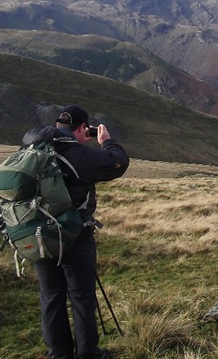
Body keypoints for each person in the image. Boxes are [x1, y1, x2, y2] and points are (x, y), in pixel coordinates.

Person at [21, 105, 129, 359]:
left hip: (38, 235)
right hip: (73, 236)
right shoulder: (75, 154)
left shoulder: (31, 150)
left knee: (50, 296)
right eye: (85, 130)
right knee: (81, 297)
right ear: (82, 128)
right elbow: (117, 164)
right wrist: (106, 141)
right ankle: (87, 354)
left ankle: (58, 355)